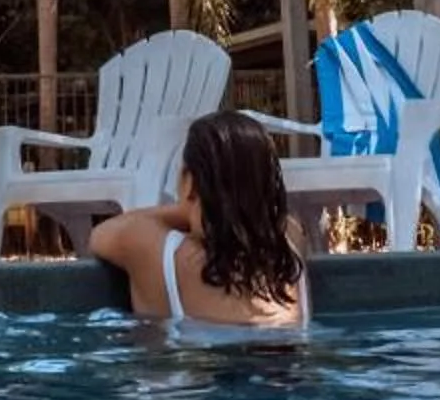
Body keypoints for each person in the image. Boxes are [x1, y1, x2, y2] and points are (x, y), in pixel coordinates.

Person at [89, 111, 306, 336]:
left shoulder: (156, 253)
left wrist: (193, 206)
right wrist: (232, 207)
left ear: (189, 181)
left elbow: (99, 235)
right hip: (286, 365)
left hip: (195, 368)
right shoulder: (291, 239)